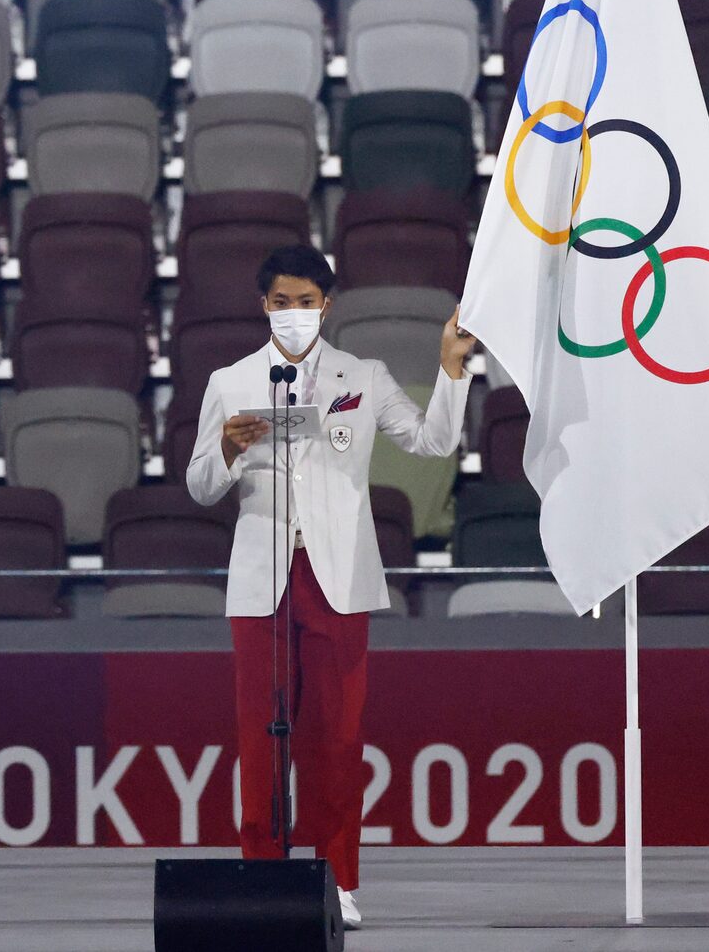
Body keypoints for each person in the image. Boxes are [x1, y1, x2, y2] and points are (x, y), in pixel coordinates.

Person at [184, 244, 476, 931]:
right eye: (280, 303)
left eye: (304, 302)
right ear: (263, 306)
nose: (292, 314)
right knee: (260, 740)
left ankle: (337, 880)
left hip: (338, 580)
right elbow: (199, 486)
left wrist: (451, 369)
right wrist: (226, 447)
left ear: (327, 304)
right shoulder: (230, 382)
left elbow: (431, 443)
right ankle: (259, 878)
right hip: (262, 582)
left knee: (338, 740)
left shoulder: (361, 376)